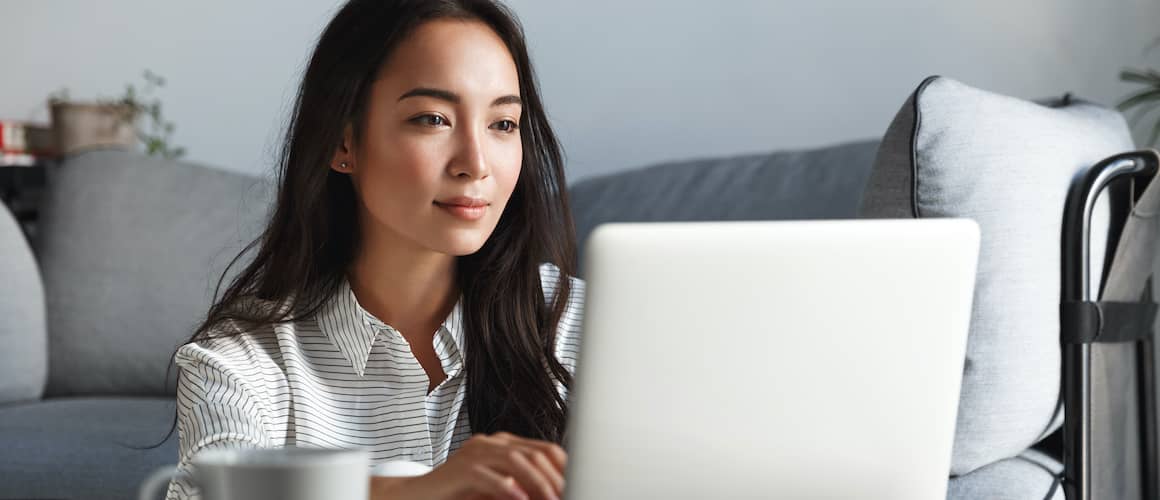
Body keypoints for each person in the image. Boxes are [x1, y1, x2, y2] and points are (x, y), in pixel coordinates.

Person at [164, 1, 583, 499]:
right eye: (432, 119)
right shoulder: (241, 361)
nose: (476, 163)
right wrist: (414, 491)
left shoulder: (584, 325)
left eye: (503, 124)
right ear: (344, 143)